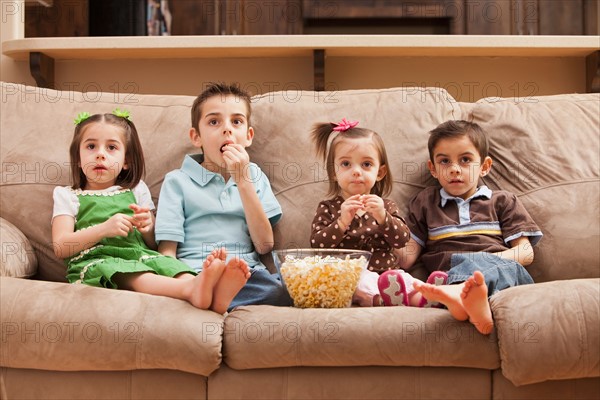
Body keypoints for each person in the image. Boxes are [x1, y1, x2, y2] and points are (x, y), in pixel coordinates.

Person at [52, 110, 250, 314]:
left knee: (168, 264)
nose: (100, 154)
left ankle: (211, 294)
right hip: (99, 262)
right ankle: (191, 289)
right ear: (77, 157)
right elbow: (61, 246)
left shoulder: (137, 190)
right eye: (91, 146)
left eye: (111, 147)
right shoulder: (68, 196)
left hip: (141, 255)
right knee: (132, 273)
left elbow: (153, 244)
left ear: (126, 160)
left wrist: (148, 227)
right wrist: (102, 230)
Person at [398, 120, 543, 334]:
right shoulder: (426, 202)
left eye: (465, 160)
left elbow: (526, 252)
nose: (455, 169)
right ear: (433, 169)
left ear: (484, 167)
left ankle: (456, 293)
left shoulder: (502, 201)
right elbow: (407, 257)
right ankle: (472, 307)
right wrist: (383, 222)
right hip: (448, 273)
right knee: (450, 276)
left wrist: (483, 262)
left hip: (505, 273)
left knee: (492, 269)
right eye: (445, 161)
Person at [155, 83, 291, 310]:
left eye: (236, 121)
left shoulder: (254, 175)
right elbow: (167, 251)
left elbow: (265, 245)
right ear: (196, 136)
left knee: (282, 288)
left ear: (248, 136)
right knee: (186, 284)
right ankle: (208, 292)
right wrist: (178, 279)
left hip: (245, 274)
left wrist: (243, 181)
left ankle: (219, 298)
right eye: (214, 122)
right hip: (195, 274)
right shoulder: (177, 181)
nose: (226, 129)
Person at [310, 118, 448, 308]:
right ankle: (383, 300)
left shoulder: (386, 206)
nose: (357, 172)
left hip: (388, 274)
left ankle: (427, 296)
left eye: (366, 164)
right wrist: (341, 222)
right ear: (334, 172)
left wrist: (384, 218)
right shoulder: (329, 208)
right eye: (346, 164)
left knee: (406, 280)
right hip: (350, 273)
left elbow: (401, 240)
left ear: (380, 172)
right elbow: (317, 245)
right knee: (362, 283)